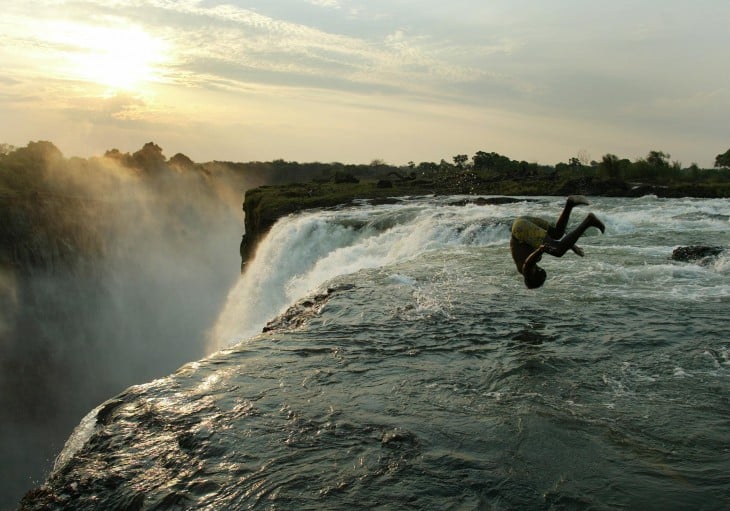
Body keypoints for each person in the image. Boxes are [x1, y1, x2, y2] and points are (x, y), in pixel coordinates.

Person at [510, 195, 605, 288]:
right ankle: (570, 203)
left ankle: (589, 221)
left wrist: (540, 250)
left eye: (542, 279)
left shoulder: (526, 272)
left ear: (534, 279)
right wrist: (571, 246)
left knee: (558, 251)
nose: (544, 277)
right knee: (557, 233)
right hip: (521, 223)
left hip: (521, 229)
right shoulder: (531, 264)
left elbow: (528, 263)